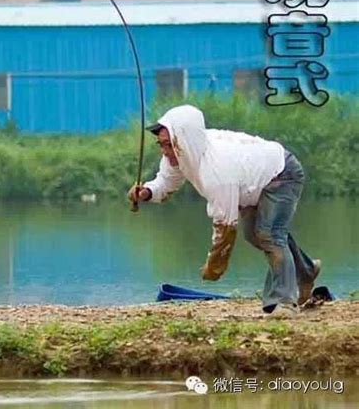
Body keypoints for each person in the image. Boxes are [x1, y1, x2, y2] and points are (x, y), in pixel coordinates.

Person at [128, 104, 321, 315]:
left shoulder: (217, 171)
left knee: (269, 234)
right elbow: (166, 181)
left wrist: (214, 265)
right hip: (251, 182)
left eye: (169, 145)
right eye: (161, 145)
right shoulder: (183, 154)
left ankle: (284, 302)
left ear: (184, 140)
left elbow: (226, 225)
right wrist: (147, 191)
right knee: (256, 235)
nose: (165, 152)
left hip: (281, 174)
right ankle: (306, 270)